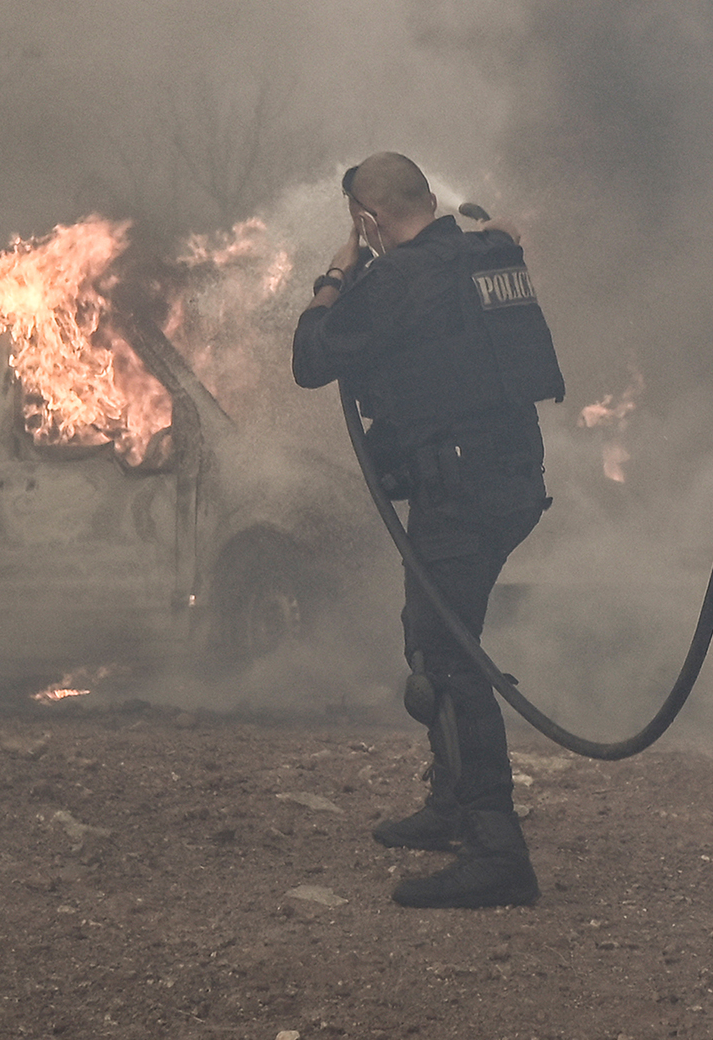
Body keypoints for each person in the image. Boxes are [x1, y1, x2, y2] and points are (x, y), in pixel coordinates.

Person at [292, 151, 565, 910]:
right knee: (430, 629)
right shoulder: (489, 251)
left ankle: (496, 848)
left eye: (362, 228)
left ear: (368, 220)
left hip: (461, 488)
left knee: (448, 655)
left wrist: (335, 275)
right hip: (508, 478)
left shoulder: (397, 279)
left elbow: (311, 357)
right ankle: (452, 803)